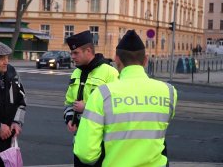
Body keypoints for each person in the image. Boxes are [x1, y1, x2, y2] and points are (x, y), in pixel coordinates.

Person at [74, 30, 177, 166]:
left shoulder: (102, 94)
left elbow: (86, 153)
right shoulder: (169, 92)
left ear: (117, 59)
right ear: (145, 60)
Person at [63, 30, 119, 166]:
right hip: (81, 139)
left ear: (88, 51)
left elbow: (117, 107)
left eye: (76, 53)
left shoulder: (110, 72)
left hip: (103, 141)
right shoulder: (76, 72)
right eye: (71, 53)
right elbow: (69, 102)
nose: (72, 57)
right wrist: (69, 118)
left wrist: (86, 108)